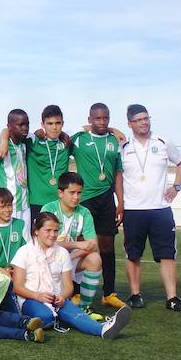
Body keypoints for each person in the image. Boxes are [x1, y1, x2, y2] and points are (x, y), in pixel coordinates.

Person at [11, 212, 131, 339]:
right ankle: (53, 317)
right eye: (48, 230)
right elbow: (17, 287)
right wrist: (38, 296)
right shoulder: (24, 252)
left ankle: (103, 329)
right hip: (31, 298)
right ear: (36, 231)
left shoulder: (62, 253)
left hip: (56, 298)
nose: (52, 235)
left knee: (73, 313)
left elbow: (68, 287)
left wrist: (62, 297)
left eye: (56, 231)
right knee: (45, 317)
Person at [120, 104, 181, 311]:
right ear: (130, 123)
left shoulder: (163, 142)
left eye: (146, 118)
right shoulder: (122, 147)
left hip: (160, 209)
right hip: (133, 210)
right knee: (133, 254)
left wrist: (176, 186)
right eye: (138, 120)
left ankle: (172, 298)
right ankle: (135, 295)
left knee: (167, 254)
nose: (144, 122)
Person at [70, 103, 126, 308]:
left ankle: (109, 293)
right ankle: (76, 292)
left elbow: (118, 174)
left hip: (106, 200)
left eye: (105, 118)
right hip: (84, 199)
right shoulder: (78, 140)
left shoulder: (113, 141)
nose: (102, 122)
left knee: (107, 246)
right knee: (82, 245)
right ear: (90, 119)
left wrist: (121, 202)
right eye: (97, 118)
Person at [40, 172, 103, 317]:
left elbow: (93, 245)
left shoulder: (84, 213)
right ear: (60, 193)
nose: (76, 197)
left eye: (79, 193)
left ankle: (84, 307)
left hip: (72, 258)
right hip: (49, 259)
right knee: (51, 307)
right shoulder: (48, 209)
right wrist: (77, 245)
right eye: (72, 192)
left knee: (95, 259)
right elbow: (45, 243)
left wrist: (74, 253)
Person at [0, 109, 32, 242]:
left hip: (24, 205)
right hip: (7, 206)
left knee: (26, 244)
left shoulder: (24, 144)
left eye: (27, 124)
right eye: (20, 125)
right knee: (6, 242)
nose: (25, 128)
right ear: (10, 127)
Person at [27, 105, 72, 224]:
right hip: (37, 202)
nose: (54, 127)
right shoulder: (33, 140)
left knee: (61, 241)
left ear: (63, 123)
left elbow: (89, 127)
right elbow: (9, 130)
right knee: (37, 241)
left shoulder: (66, 142)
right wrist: (4, 140)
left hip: (60, 202)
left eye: (58, 123)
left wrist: (112, 130)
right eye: (50, 123)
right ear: (42, 124)